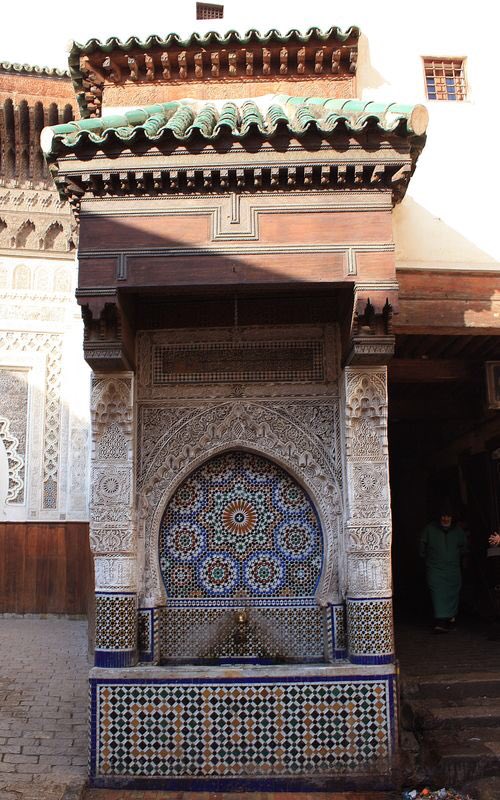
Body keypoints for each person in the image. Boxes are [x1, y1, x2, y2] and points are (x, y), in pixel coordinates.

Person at [419, 504, 468, 633]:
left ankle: (451, 620)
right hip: (436, 569)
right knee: (438, 594)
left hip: (452, 569)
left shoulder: (458, 531)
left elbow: (464, 548)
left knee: (452, 593)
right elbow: (422, 547)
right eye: (443, 516)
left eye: (448, 516)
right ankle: (440, 621)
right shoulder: (429, 529)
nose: (446, 519)